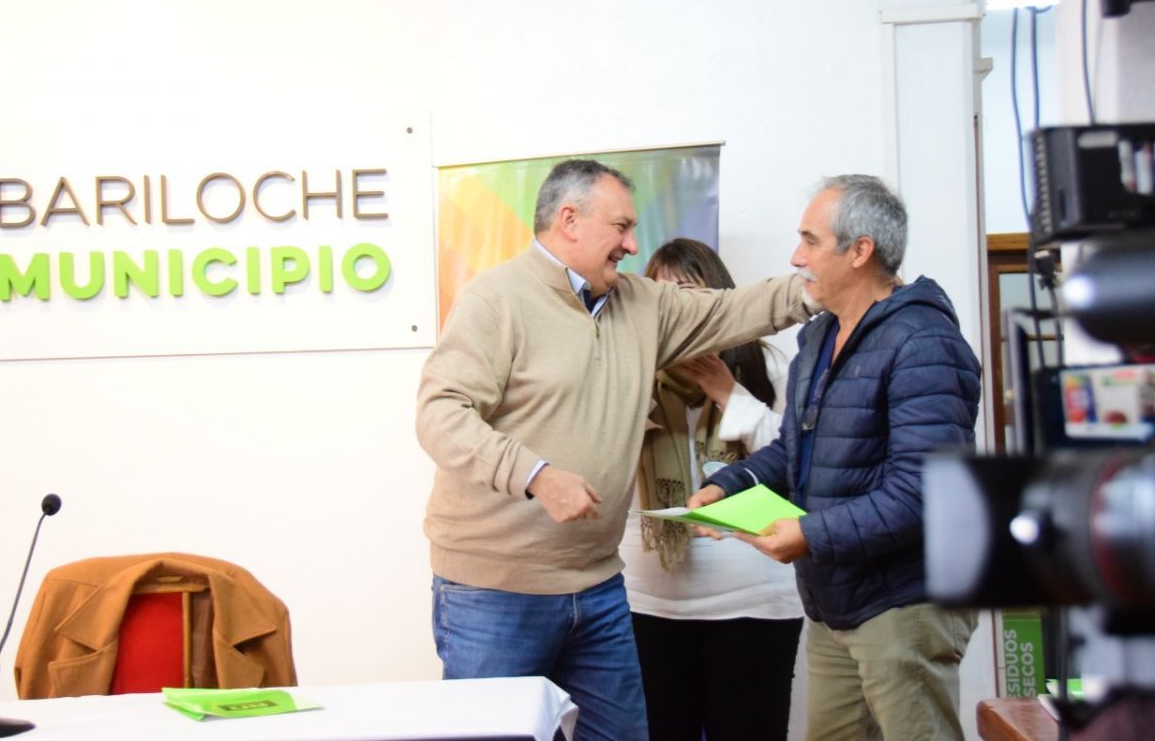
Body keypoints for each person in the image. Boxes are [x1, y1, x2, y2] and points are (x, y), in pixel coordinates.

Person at [415, 159, 812, 741]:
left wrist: (817, 287)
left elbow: (732, 309)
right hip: (495, 593)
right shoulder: (495, 300)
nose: (632, 245)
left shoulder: (644, 304)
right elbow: (439, 414)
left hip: (598, 587)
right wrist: (536, 474)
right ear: (569, 220)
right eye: (621, 227)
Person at [691, 174, 982, 741]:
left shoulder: (924, 342)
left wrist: (809, 534)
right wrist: (730, 484)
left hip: (903, 605)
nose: (795, 257)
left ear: (860, 251)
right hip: (835, 603)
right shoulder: (819, 339)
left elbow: (922, 492)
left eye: (810, 241)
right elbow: (794, 451)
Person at [619, 238, 804, 741]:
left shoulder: (768, 366)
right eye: (662, 295)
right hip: (650, 600)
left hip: (754, 598)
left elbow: (797, 462)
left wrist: (727, 393)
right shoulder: (630, 371)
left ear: (718, 298)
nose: (677, 307)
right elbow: (602, 468)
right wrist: (636, 398)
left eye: (688, 291)